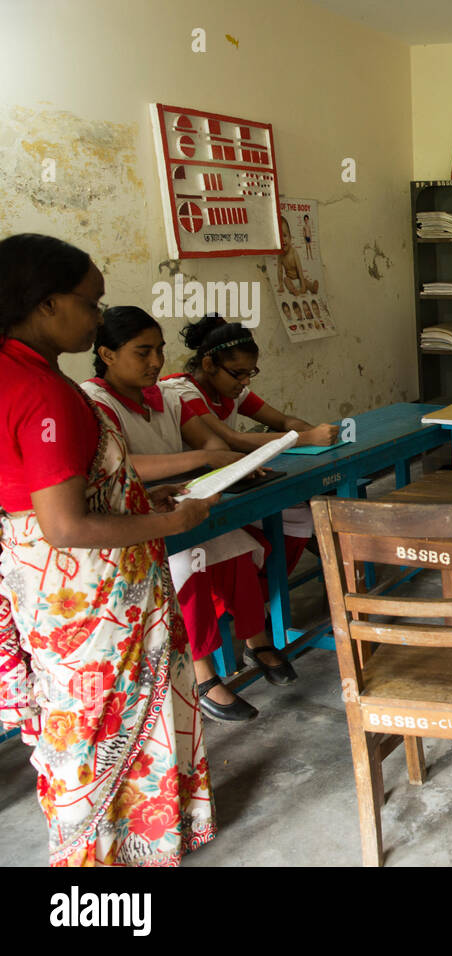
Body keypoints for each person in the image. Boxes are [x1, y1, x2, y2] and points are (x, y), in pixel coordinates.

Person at [0, 233, 216, 865]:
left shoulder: (18, 371)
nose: (98, 317)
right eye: (91, 303)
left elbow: (44, 495)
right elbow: (66, 524)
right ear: (46, 304)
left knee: (83, 717)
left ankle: (121, 842)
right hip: (90, 594)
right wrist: (172, 521)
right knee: (103, 719)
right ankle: (102, 854)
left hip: (44, 581)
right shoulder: (44, 393)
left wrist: (137, 499)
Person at [82, 307, 293, 721]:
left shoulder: (164, 396)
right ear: (107, 355)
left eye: (159, 350)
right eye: (143, 352)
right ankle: (202, 673)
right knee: (187, 565)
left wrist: (222, 461)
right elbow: (122, 465)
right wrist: (203, 458)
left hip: (179, 500)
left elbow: (210, 444)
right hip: (134, 518)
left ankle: (256, 640)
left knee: (234, 548)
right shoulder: (94, 403)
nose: (156, 361)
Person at [160, 313, 336, 603]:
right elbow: (232, 440)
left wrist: (313, 430)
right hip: (197, 489)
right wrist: (305, 438)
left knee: (303, 511)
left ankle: (263, 595)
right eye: (238, 373)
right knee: (294, 515)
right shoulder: (183, 391)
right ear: (208, 364)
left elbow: (282, 420)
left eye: (250, 373)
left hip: (228, 478)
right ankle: (256, 598)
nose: (244, 382)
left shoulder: (232, 391)